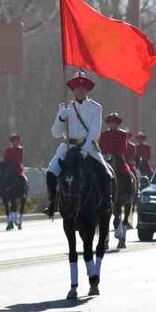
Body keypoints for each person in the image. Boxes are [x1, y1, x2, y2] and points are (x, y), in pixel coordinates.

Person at [43, 72, 113, 217]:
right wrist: (61, 118)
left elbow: (94, 133)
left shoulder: (95, 108)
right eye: (77, 87)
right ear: (73, 89)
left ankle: (107, 202)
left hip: (88, 147)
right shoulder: (64, 107)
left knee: (106, 173)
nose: (80, 90)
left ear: (87, 89)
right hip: (68, 147)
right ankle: (52, 203)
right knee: (51, 172)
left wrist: (85, 151)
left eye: (83, 87)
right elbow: (55, 133)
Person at [99, 112, 138, 185]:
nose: (112, 124)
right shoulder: (103, 134)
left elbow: (123, 147)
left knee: (127, 173)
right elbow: (100, 146)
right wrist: (104, 154)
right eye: (110, 122)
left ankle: (128, 193)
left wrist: (115, 154)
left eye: (114, 122)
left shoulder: (122, 134)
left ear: (117, 124)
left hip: (117, 157)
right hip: (105, 157)